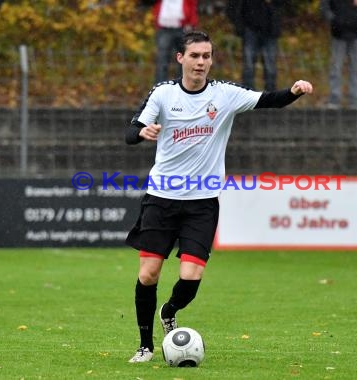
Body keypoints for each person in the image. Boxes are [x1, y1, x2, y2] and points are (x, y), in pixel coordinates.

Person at [124, 30, 313, 363]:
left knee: (191, 276)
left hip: (202, 201)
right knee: (148, 274)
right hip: (161, 198)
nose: (201, 62)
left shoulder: (225, 94)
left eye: (206, 56)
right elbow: (130, 131)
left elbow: (269, 99)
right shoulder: (163, 94)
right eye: (195, 55)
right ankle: (145, 345)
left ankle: (170, 310)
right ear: (180, 58)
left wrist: (294, 91)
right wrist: (142, 131)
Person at [321, 0, 357, 109]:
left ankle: (354, 99)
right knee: (336, 67)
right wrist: (335, 20)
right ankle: (334, 98)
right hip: (338, 33)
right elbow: (325, 8)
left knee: (355, 68)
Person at [226, 0, 289, 91]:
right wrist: (240, 26)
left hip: (270, 30)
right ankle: (248, 96)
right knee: (249, 66)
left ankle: (271, 97)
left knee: (270, 66)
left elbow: (285, 5)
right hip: (250, 29)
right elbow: (232, 7)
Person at [142, 0, 199, 83]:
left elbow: (193, 6)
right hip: (164, 29)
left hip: (182, 28)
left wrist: (191, 23)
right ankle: (160, 87)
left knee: (185, 59)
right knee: (162, 60)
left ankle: (182, 86)